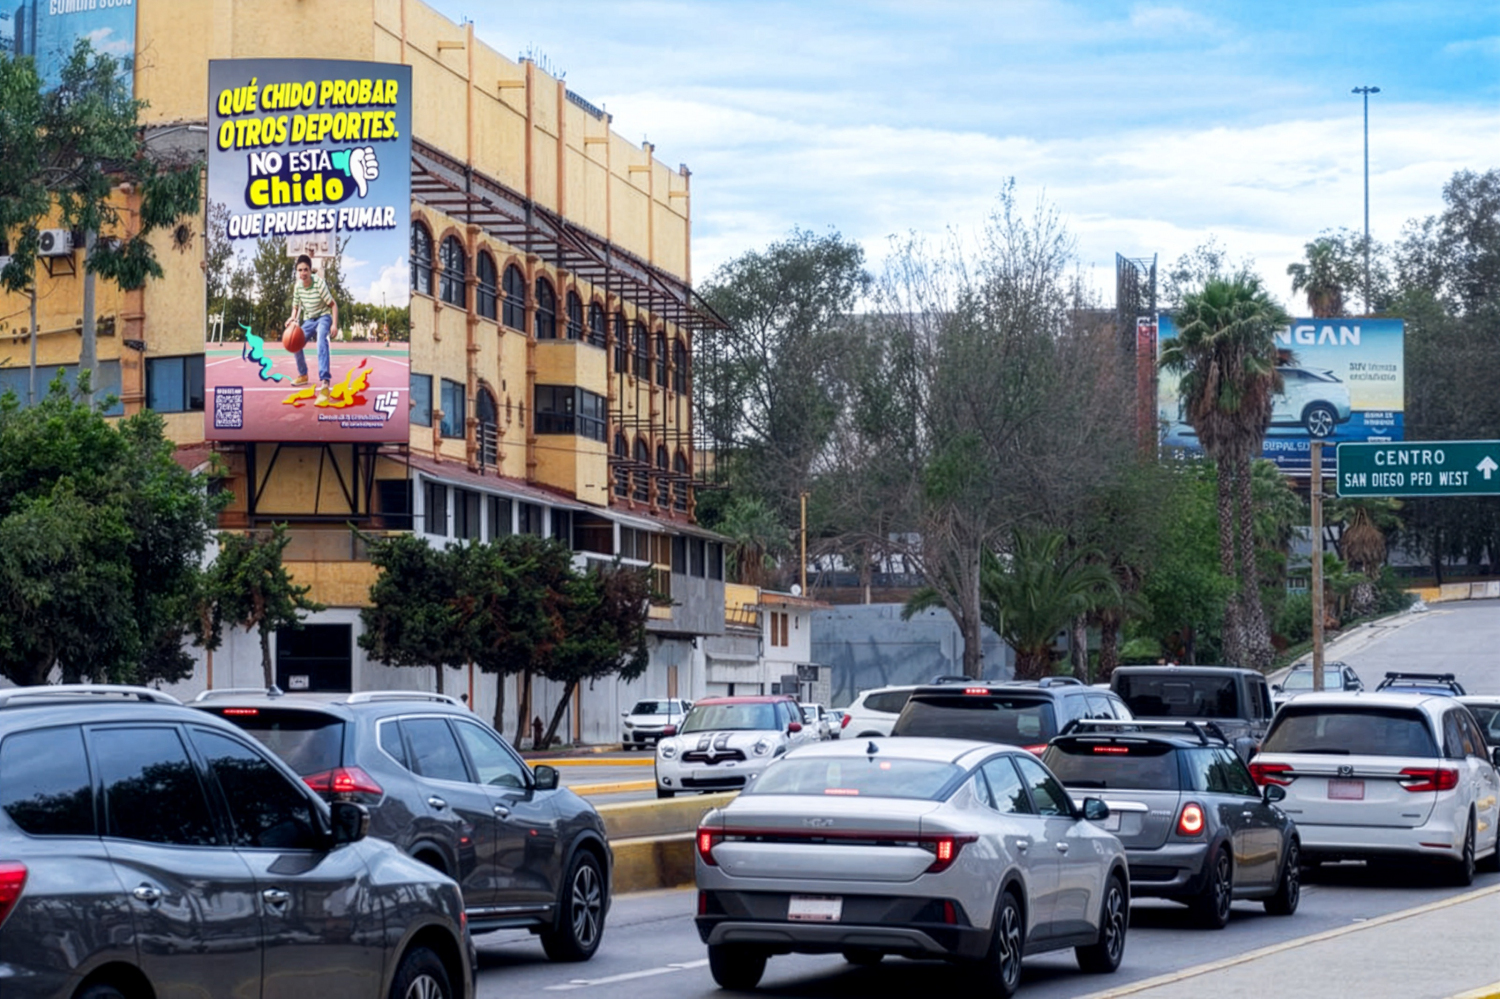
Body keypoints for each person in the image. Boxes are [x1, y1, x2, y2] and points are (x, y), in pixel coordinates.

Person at [288, 254, 339, 402]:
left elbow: (333, 305)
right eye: (300, 270)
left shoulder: (319, 283)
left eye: (306, 269)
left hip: (324, 316)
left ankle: (325, 381)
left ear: (310, 270)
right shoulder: (298, 287)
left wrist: (334, 324)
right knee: (295, 342)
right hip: (309, 319)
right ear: (297, 272)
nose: (303, 273)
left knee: (321, 340)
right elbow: (295, 306)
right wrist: (292, 318)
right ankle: (303, 374)